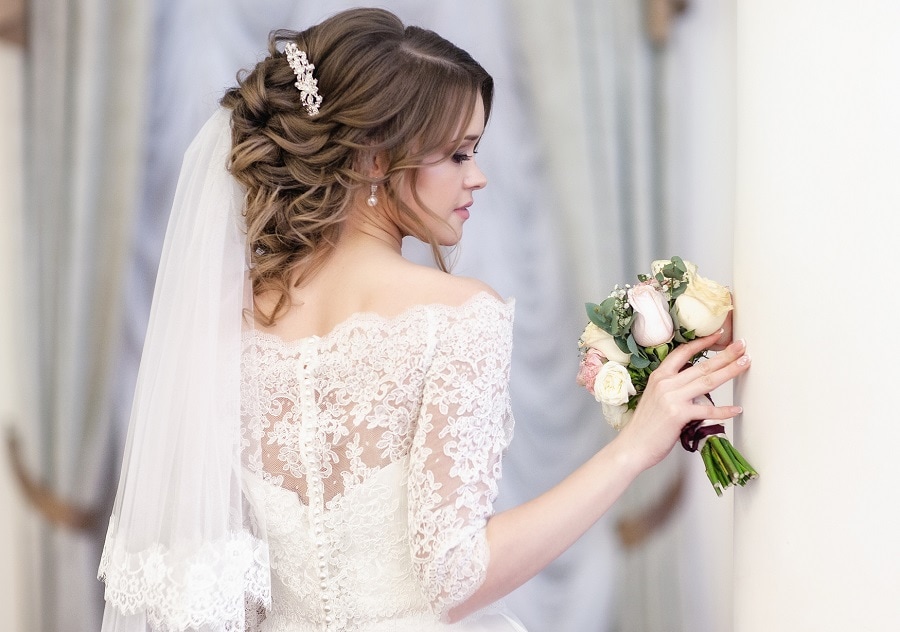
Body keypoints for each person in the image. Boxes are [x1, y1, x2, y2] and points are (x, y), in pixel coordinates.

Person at [98, 7, 750, 632]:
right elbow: (456, 576)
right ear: (377, 160)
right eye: (460, 154)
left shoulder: (233, 320)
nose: (480, 178)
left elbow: (228, 581)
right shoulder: (456, 317)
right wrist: (634, 450)